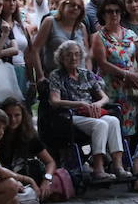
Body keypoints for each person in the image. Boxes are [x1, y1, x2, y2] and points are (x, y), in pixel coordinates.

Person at [46, 41, 131, 182]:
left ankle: (118, 166)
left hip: (90, 113)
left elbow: (104, 97)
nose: (73, 58)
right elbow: (55, 101)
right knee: (100, 125)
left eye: (76, 54)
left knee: (113, 120)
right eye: (69, 55)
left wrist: (97, 105)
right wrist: (80, 104)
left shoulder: (86, 74)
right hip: (69, 115)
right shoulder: (56, 75)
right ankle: (98, 169)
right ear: (61, 58)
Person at [91, 0, 138, 140]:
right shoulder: (99, 36)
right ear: (102, 14)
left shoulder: (131, 34)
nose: (114, 14)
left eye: (117, 11)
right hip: (110, 88)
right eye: (109, 11)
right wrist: (127, 74)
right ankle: (112, 160)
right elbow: (102, 63)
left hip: (130, 89)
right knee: (112, 126)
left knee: (130, 126)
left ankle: (127, 160)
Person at [0, 99, 57, 204]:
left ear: (23, 116)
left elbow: (50, 162)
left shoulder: (29, 136)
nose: (13, 119)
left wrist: (47, 180)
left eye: (17, 115)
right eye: (8, 115)